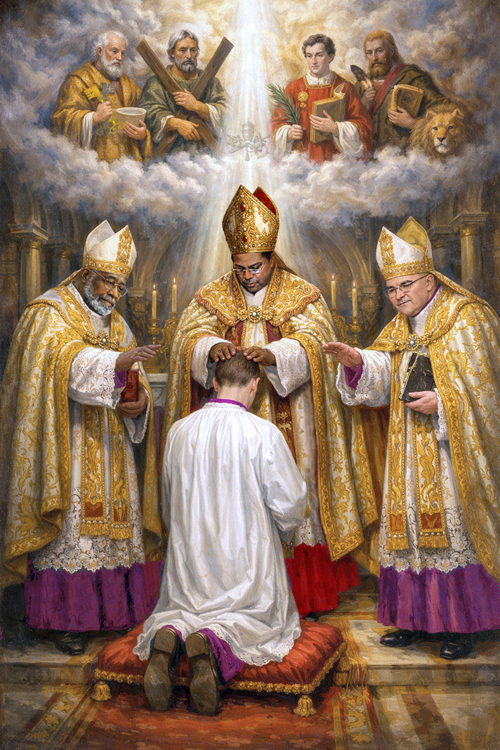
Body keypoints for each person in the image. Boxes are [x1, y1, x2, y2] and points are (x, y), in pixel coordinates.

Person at [162, 184, 377, 620]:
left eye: (255, 267)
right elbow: (184, 340)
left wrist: (277, 354)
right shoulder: (210, 296)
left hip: (291, 417)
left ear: (272, 258)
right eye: (239, 267)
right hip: (230, 422)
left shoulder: (303, 294)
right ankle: (232, 591)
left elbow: (318, 342)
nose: (247, 276)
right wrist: (211, 346)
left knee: (291, 488)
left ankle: (304, 595)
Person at [325, 218, 500, 660]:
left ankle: (460, 625)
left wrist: (444, 402)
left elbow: (487, 392)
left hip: (450, 451)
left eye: (405, 285)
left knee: (452, 532)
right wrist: (357, 362)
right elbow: (384, 376)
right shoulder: (400, 327)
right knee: (409, 530)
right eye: (391, 289)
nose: (398, 296)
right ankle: (412, 618)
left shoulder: (467, 316)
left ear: (429, 280)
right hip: (407, 447)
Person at [0, 221, 163, 655]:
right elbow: (62, 365)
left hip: (112, 448)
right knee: (73, 536)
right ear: (86, 273)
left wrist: (140, 402)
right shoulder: (49, 312)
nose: (114, 293)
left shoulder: (118, 325)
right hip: (68, 442)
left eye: (120, 286)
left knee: (112, 536)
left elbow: (136, 376)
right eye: (108, 281)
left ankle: (112, 615)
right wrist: (116, 363)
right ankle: (66, 621)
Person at [134, 353, 306, 715]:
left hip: (190, 561)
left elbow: (168, 498)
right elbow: (290, 503)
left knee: (183, 608)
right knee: (254, 616)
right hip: (246, 560)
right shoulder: (262, 433)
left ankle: (171, 633)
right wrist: (285, 529)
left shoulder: (180, 430)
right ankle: (211, 640)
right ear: (255, 386)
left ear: (215, 383)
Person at [51, 30, 152, 163]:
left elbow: (148, 116)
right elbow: (60, 119)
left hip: (129, 163)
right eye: (114, 51)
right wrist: (93, 118)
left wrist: (143, 134)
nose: (119, 57)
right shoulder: (78, 81)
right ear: (100, 51)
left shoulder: (129, 84)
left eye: (122, 53)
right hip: (97, 163)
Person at [271, 33, 373, 162]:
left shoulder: (345, 88)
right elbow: (276, 123)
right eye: (309, 56)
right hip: (302, 160)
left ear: (330, 57)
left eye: (319, 55)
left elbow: (364, 127)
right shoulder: (293, 89)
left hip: (336, 162)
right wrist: (288, 133)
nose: (313, 61)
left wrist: (336, 129)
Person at [138, 29, 228, 156]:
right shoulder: (155, 83)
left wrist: (198, 106)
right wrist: (175, 123)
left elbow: (229, 114)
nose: (189, 56)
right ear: (172, 53)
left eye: (193, 50)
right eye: (182, 50)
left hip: (207, 156)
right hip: (169, 157)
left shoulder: (211, 82)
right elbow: (148, 114)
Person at [356, 30, 449, 151]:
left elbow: (445, 112)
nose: (374, 58)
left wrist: (413, 124)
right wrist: (363, 103)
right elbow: (347, 121)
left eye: (379, 51)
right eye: (369, 53)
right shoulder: (362, 83)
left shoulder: (414, 77)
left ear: (391, 51)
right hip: (368, 154)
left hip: (403, 155)